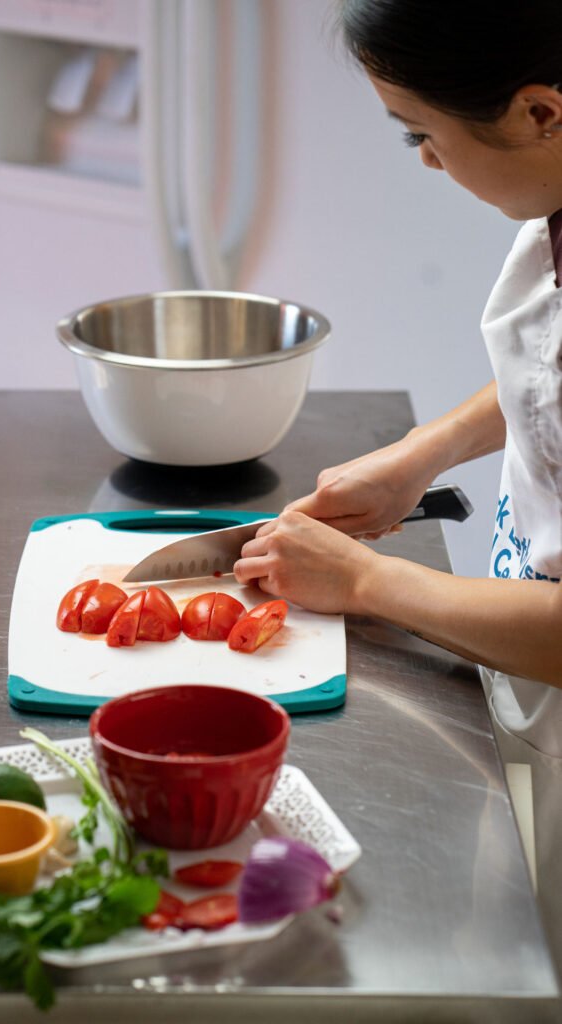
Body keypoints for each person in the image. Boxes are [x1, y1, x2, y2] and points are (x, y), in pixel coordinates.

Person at [234, 0, 562, 975]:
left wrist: (365, 582)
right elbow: (543, 371)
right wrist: (424, 452)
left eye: (421, 132)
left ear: (538, 112)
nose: (422, 159)